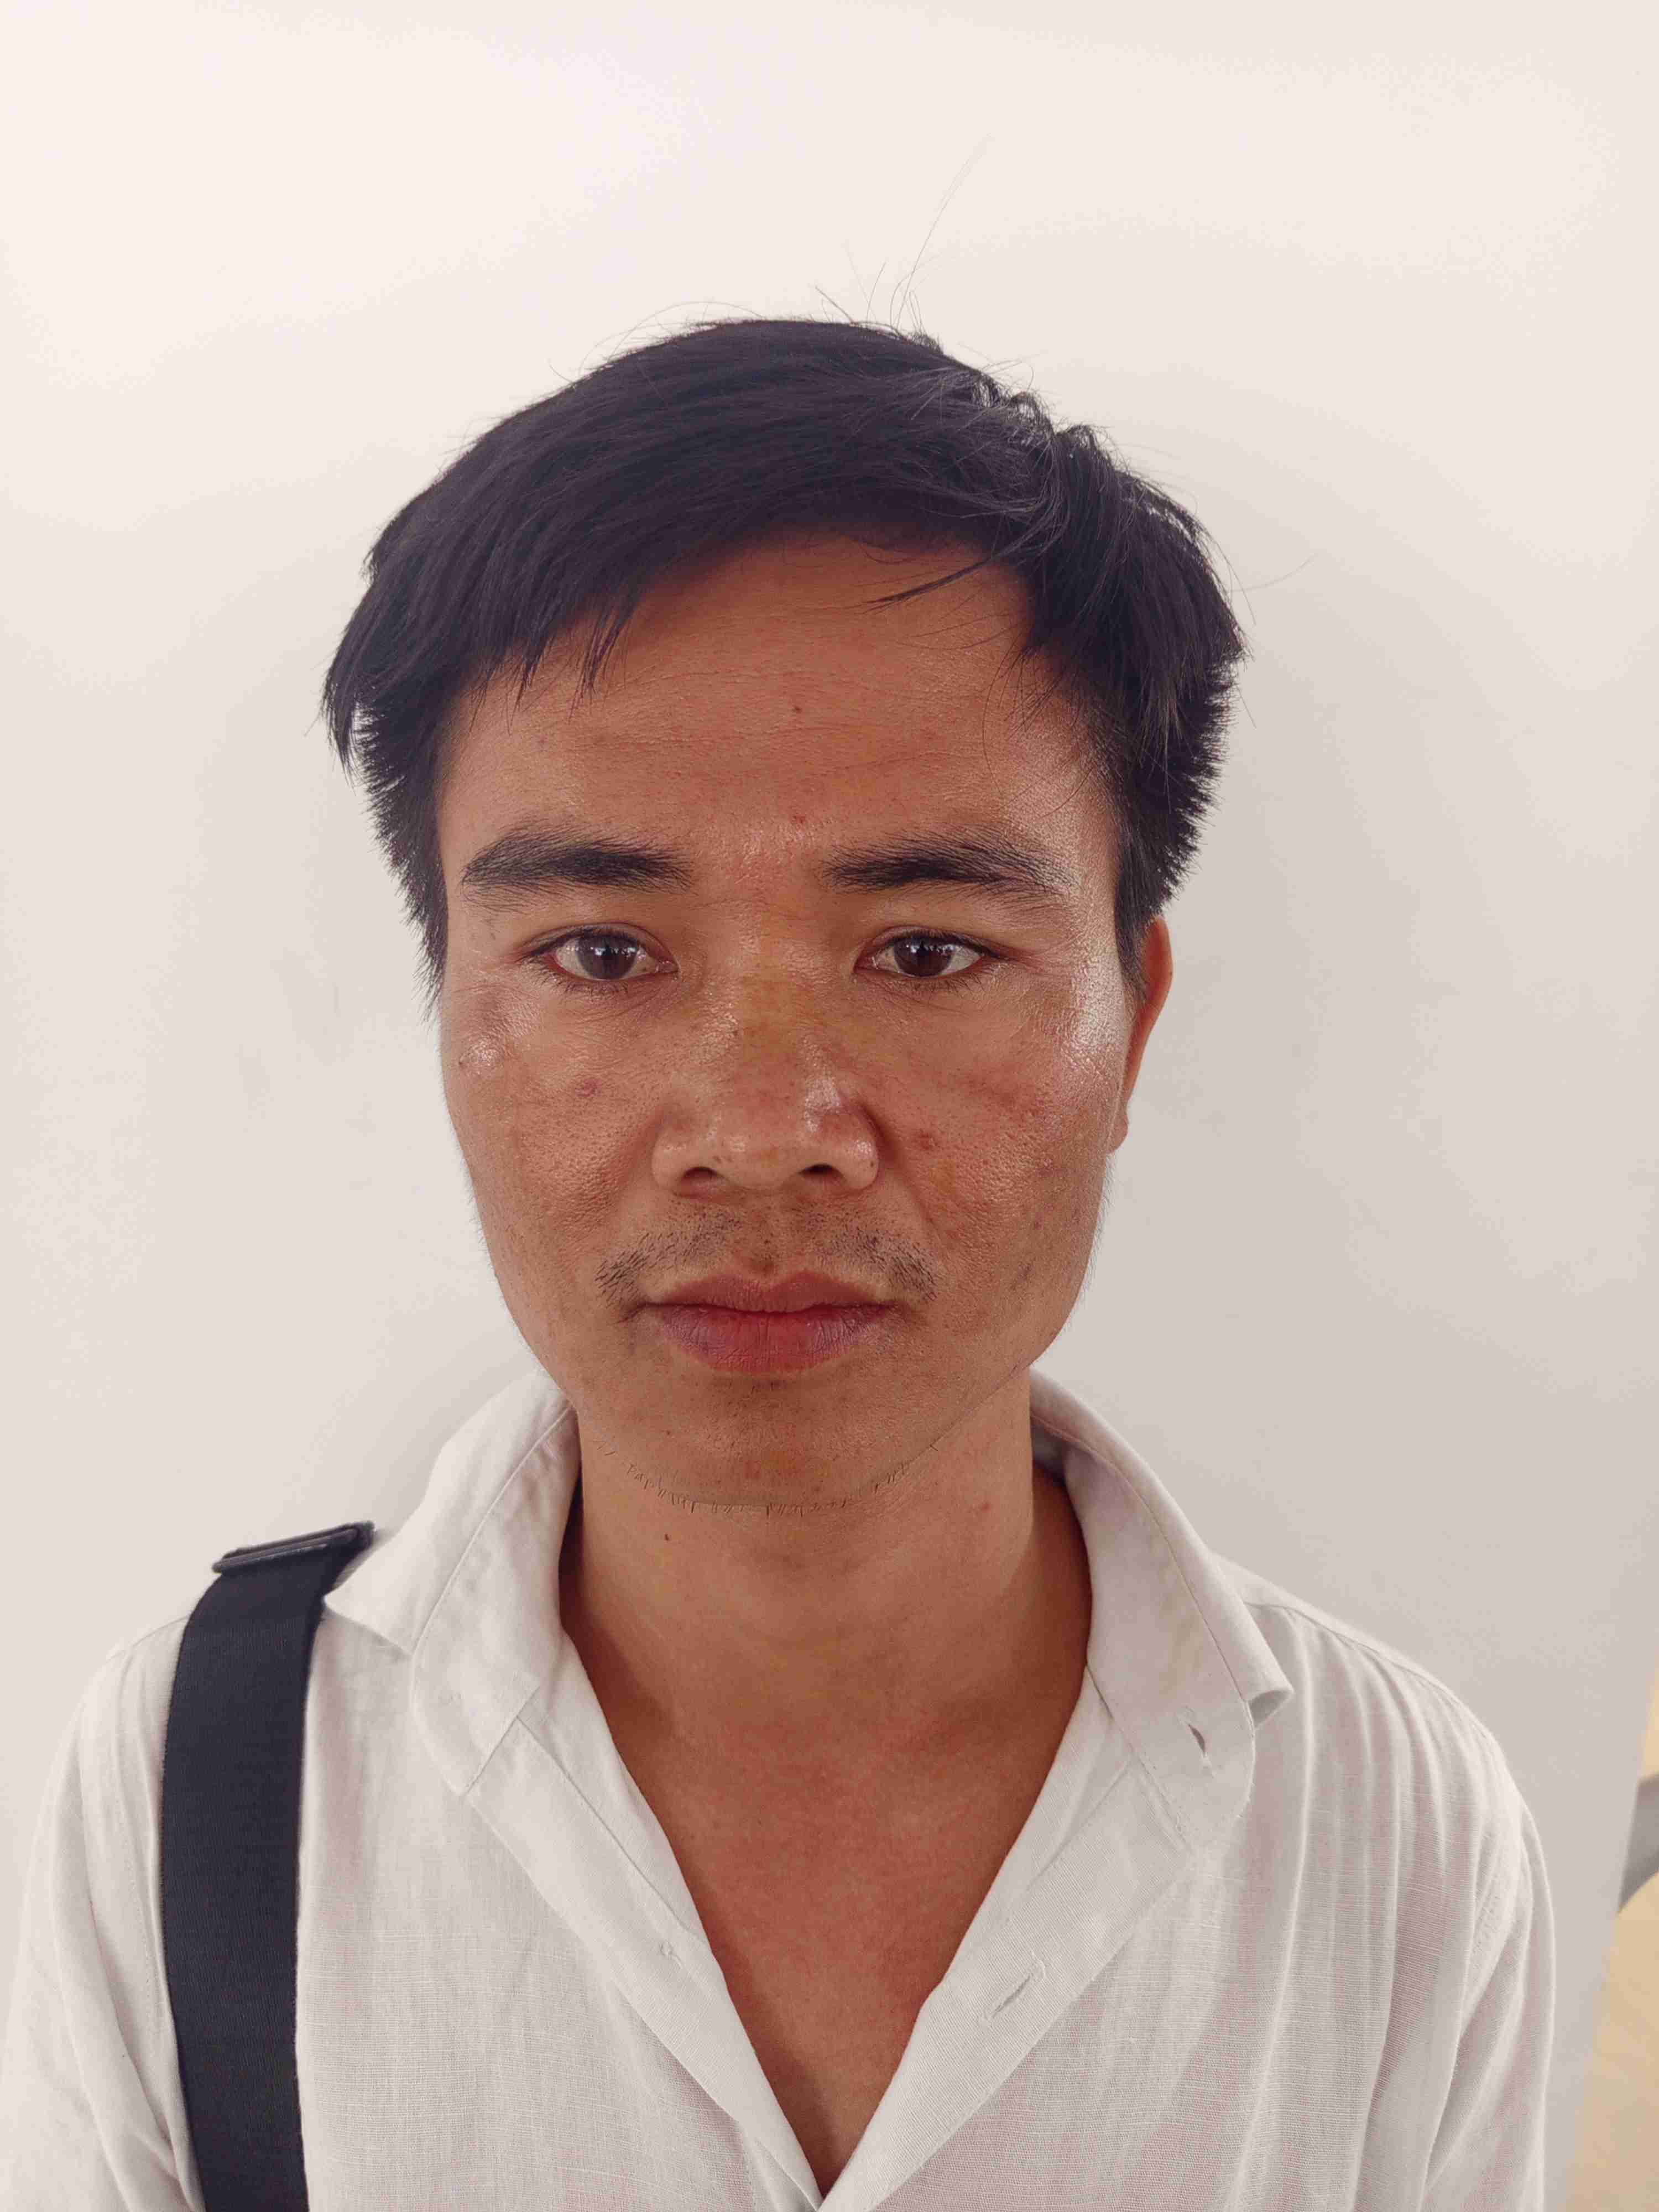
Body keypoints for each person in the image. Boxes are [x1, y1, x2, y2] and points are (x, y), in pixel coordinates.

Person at [0, 316, 1554, 2206]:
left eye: (925, 952)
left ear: (1131, 1024)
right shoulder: (198, 1783)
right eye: (599, 952)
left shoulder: (1398, 1832)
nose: (762, 1126)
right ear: (445, 1008)